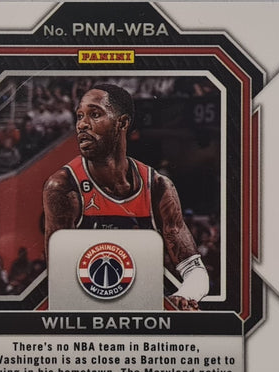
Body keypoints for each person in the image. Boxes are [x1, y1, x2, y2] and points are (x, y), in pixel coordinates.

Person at [42, 83, 208, 310]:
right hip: (90, 312)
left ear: (122, 123)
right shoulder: (64, 186)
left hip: (143, 313)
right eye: (79, 116)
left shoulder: (157, 186)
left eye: (95, 114)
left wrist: (185, 295)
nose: (82, 124)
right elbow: (60, 277)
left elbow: (195, 271)